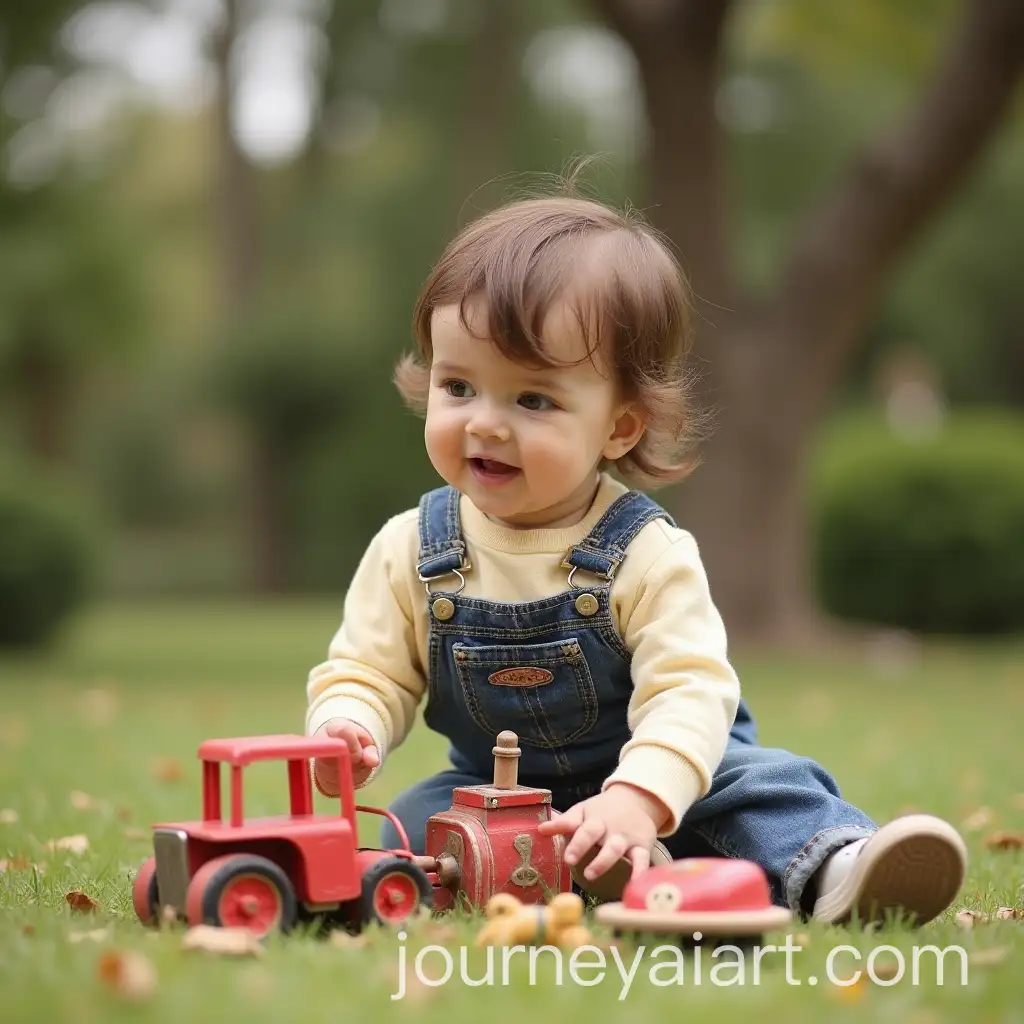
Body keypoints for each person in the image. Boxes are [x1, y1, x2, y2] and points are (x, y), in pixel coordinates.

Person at [305, 186, 966, 926]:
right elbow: (370, 667)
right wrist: (350, 723)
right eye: (459, 386)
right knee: (410, 818)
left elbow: (690, 690)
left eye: (532, 400)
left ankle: (838, 870)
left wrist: (639, 795)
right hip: (503, 796)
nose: (485, 424)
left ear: (620, 426)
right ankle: (518, 875)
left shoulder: (644, 553)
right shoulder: (412, 548)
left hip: (666, 778)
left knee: (763, 786)